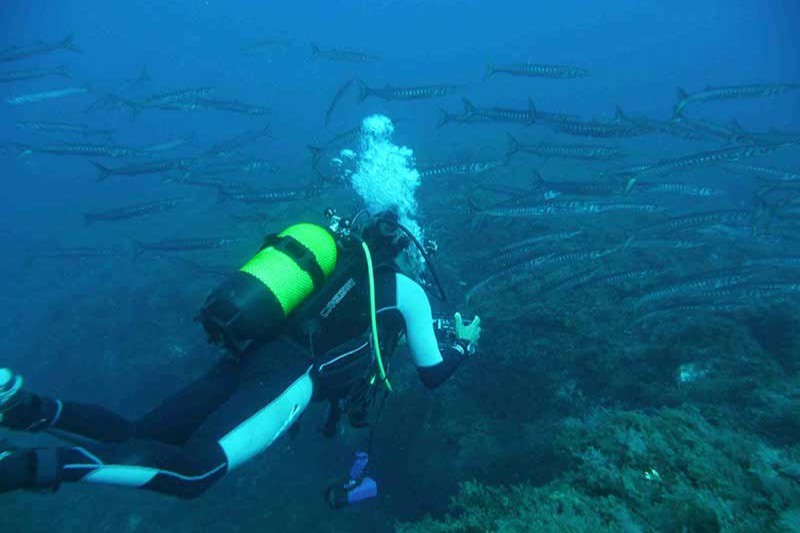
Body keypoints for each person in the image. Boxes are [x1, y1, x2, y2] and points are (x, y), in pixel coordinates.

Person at [0, 210, 481, 501]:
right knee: (195, 470)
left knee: (139, 433)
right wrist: (463, 343)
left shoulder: (335, 264)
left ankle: (22, 407)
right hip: (291, 379)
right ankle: (24, 468)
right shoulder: (405, 290)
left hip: (248, 359)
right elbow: (434, 374)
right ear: (407, 246)